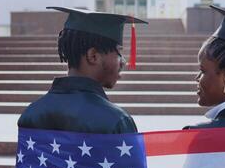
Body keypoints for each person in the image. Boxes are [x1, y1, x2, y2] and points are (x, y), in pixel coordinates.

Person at [18, 7, 147, 133]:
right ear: (93, 56)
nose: (123, 61)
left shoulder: (31, 114)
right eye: (118, 51)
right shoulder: (117, 121)